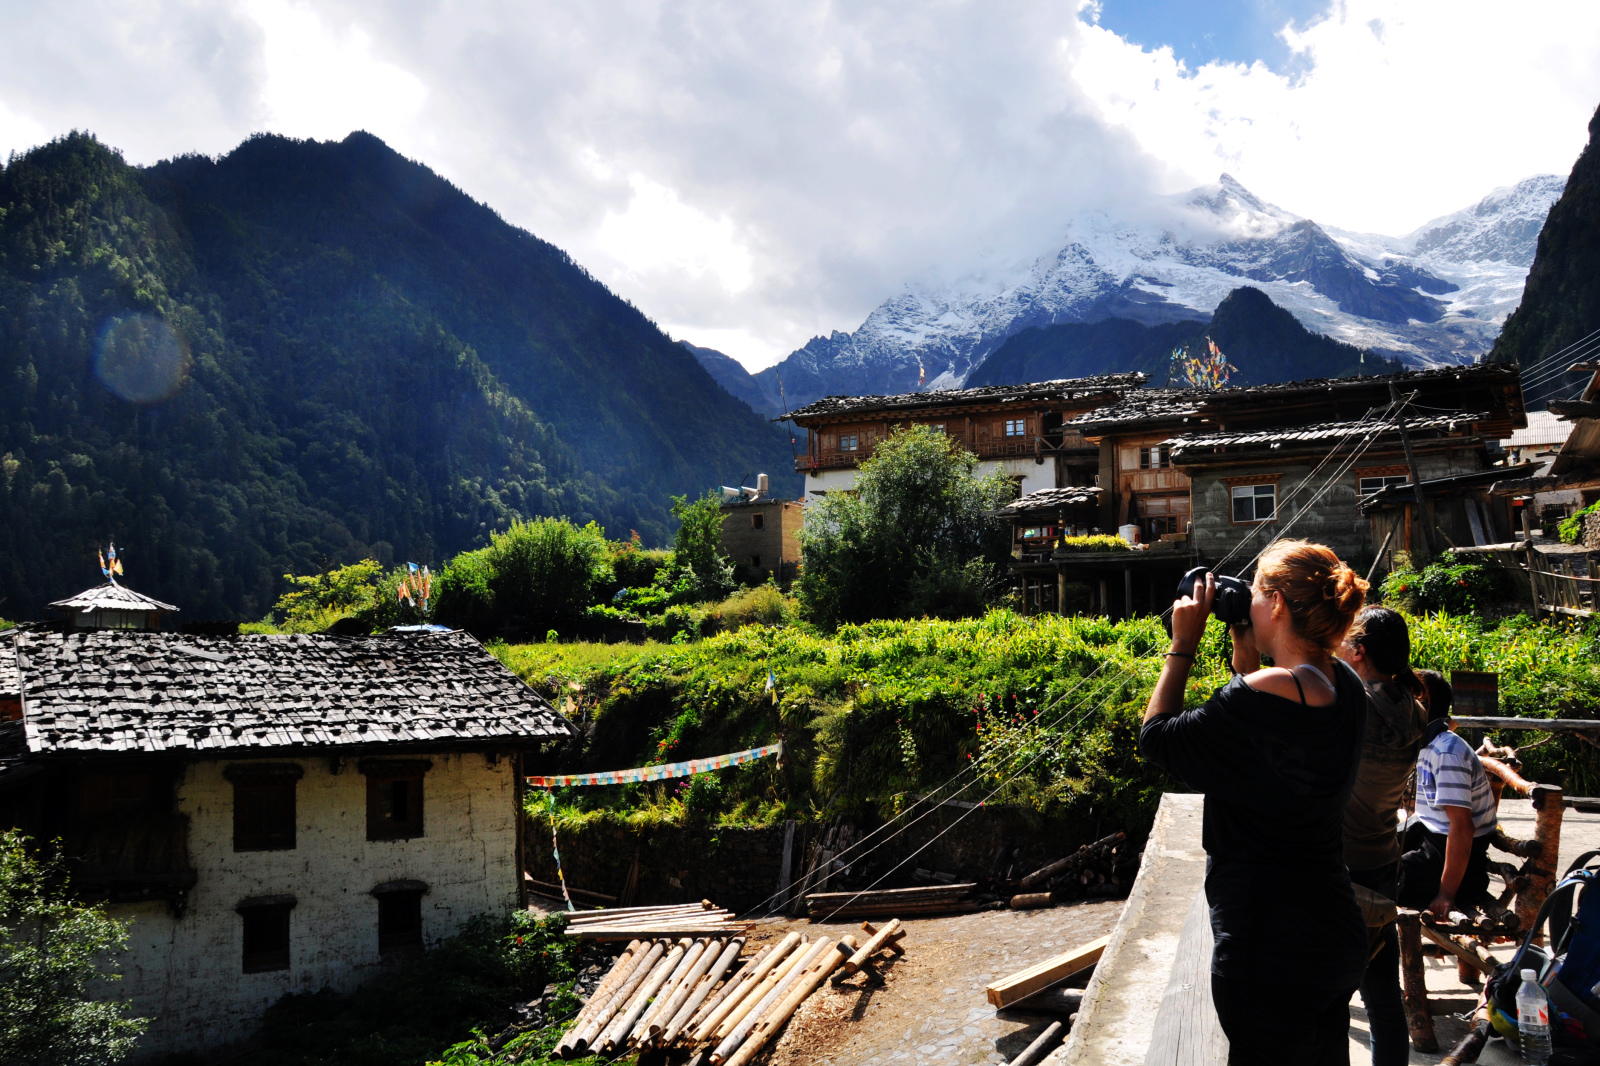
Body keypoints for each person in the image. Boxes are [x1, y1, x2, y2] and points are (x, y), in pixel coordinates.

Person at [1141, 540, 1370, 1066]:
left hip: (1266, 945)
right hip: (1333, 932)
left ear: (1280, 606)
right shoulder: (1350, 687)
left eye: (1258, 593)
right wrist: (1245, 661)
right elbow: (1259, 755)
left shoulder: (1260, 694)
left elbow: (1158, 740)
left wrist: (1184, 645)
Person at [1340, 607, 1428, 1066]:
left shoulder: (1353, 704)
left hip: (1340, 871)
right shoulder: (1413, 709)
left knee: (1328, 993)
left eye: (1344, 639)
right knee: (1382, 997)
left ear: (1358, 652)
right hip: (1382, 865)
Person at [1398, 670, 1496, 915]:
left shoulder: (1446, 753)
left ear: (1420, 703)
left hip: (1456, 858)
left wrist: (1446, 894)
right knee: (1365, 860)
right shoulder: (1429, 743)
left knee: (1379, 880)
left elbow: (1462, 827)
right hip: (1431, 833)